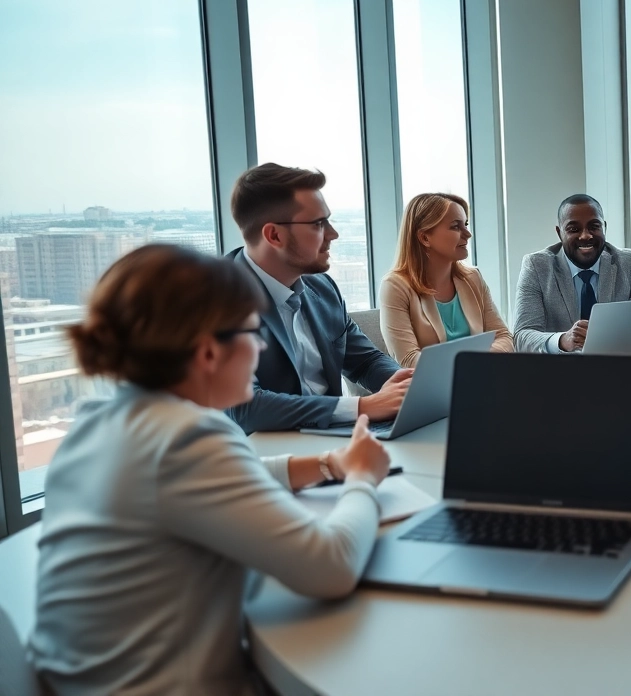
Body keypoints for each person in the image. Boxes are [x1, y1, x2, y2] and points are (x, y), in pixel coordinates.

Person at [29, 244, 391, 696]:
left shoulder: (99, 419)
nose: (260, 345)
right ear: (207, 353)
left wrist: (325, 464)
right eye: (251, 331)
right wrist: (362, 480)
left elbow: (208, 483)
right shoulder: (188, 437)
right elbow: (331, 566)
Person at [225, 163, 410, 434]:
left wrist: (407, 386)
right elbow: (245, 408)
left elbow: (364, 361)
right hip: (263, 454)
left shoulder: (321, 287)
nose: (333, 234)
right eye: (318, 224)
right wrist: (362, 407)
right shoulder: (217, 299)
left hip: (331, 438)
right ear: (274, 235)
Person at [513, 194, 631, 352]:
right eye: (574, 229)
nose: (586, 235)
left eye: (594, 227)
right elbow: (522, 336)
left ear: (604, 227)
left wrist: (606, 336)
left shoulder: (629, 262)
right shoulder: (537, 266)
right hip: (559, 372)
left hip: (615, 369)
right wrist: (563, 340)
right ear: (559, 233)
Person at [380, 193, 513, 366]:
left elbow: (503, 336)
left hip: (480, 380)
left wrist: (474, 363)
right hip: (430, 389)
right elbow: (409, 360)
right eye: (455, 227)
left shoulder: (473, 278)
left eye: (465, 224)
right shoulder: (395, 286)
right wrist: (471, 362)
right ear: (424, 238)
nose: (468, 234)